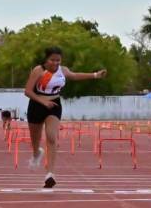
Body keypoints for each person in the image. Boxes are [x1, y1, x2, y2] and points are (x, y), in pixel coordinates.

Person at [25, 46, 107, 188]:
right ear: (46, 59)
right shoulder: (38, 70)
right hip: (37, 105)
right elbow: (27, 91)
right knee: (35, 140)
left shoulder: (63, 70)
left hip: (54, 105)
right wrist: (43, 101)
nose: (55, 63)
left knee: (51, 137)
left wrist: (95, 75)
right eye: (52, 60)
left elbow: (74, 76)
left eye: (58, 60)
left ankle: (50, 174)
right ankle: (36, 153)